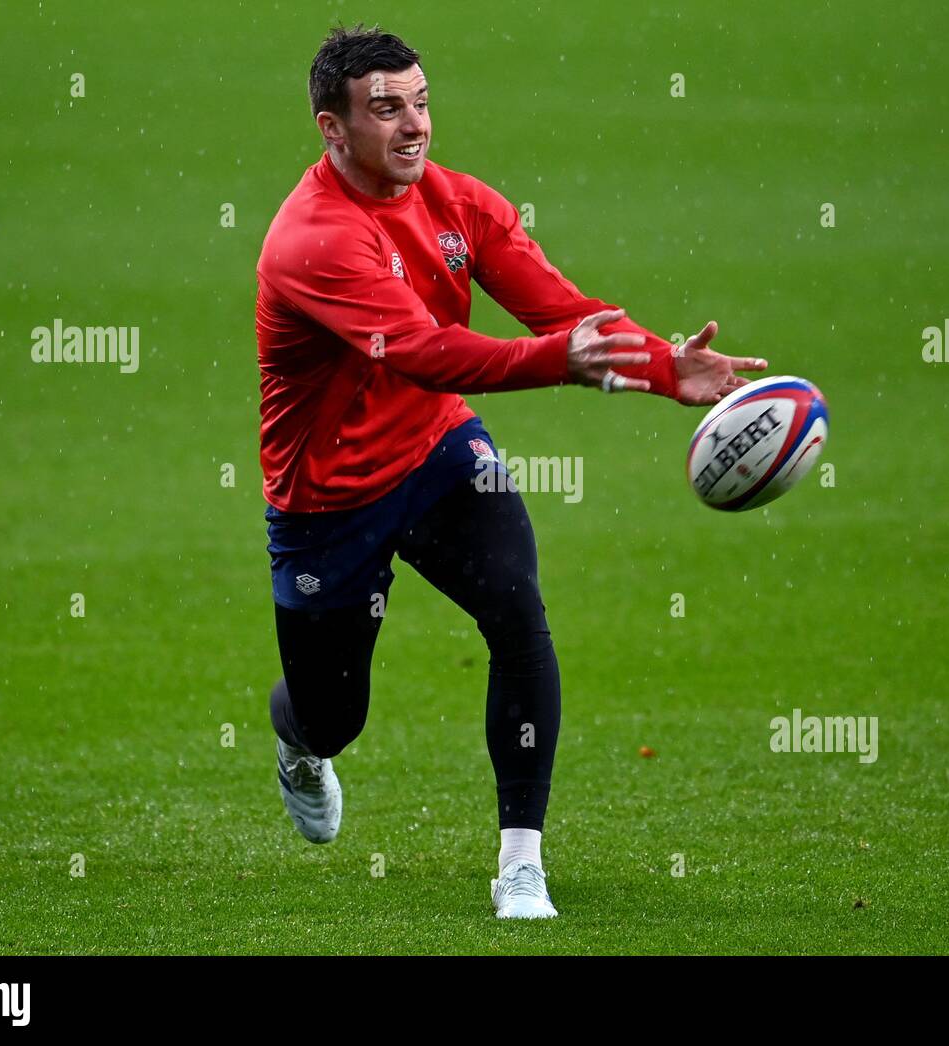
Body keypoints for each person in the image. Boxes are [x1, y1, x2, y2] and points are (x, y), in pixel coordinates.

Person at [255, 24, 767, 919]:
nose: (413, 126)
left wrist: (661, 367)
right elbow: (425, 350)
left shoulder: (462, 205)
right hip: (329, 500)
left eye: (420, 101)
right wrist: (557, 363)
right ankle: (299, 740)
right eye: (385, 109)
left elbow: (560, 310)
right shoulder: (314, 241)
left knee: (518, 612)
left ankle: (521, 862)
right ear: (331, 130)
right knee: (334, 715)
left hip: (439, 452)